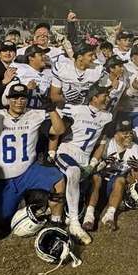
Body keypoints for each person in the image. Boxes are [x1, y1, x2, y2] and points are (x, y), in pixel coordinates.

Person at [0, 83, 67, 229]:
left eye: (23, 98)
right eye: (15, 98)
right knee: (3, 220)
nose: (19, 102)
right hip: (4, 177)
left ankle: (56, 220)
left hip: (28, 171)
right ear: (8, 99)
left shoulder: (34, 114)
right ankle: (26, 201)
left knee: (58, 178)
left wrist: (51, 109)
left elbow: (59, 130)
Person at [55, 85, 114, 243]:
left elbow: (101, 144)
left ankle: (74, 213)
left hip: (86, 158)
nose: (107, 99)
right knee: (73, 171)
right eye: (104, 96)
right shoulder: (75, 109)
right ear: (94, 98)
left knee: (93, 178)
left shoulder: (107, 117)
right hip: (67, 152)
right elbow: (55, 129)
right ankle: (75, 223)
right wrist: (51, 151)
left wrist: (92, 164)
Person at [92, 119, 138, 229]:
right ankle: (89, 216)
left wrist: (136, 168)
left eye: (130, 132)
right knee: (95, 178)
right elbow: (92, 170)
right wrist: (104, 162)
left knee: (120, 179)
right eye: (124, 133)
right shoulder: (106, 145)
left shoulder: (137, 149)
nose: (128, 136)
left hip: (118, 186)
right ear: (116, 135)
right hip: (101, 183)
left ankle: (110, 216)